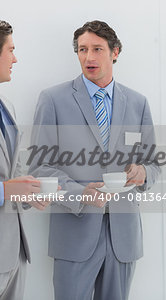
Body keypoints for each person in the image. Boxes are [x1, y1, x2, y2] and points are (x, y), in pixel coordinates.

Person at [30, 20, 160, 300]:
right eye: (82, 49)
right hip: (74, 234)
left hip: (122, 238)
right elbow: (41, 167)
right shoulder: (53, 100)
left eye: (97, 49)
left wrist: (143, 172)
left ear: (115, 52)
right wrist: (81, 194)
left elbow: (154, 163)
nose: (89, 57)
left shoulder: (138, 103)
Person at [0, 20, 50, 300]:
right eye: (10, 50)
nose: (15, 58)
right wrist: (5, 191)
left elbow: (13, 174)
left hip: (14, 252)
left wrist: (29, 193)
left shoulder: (7, 107)